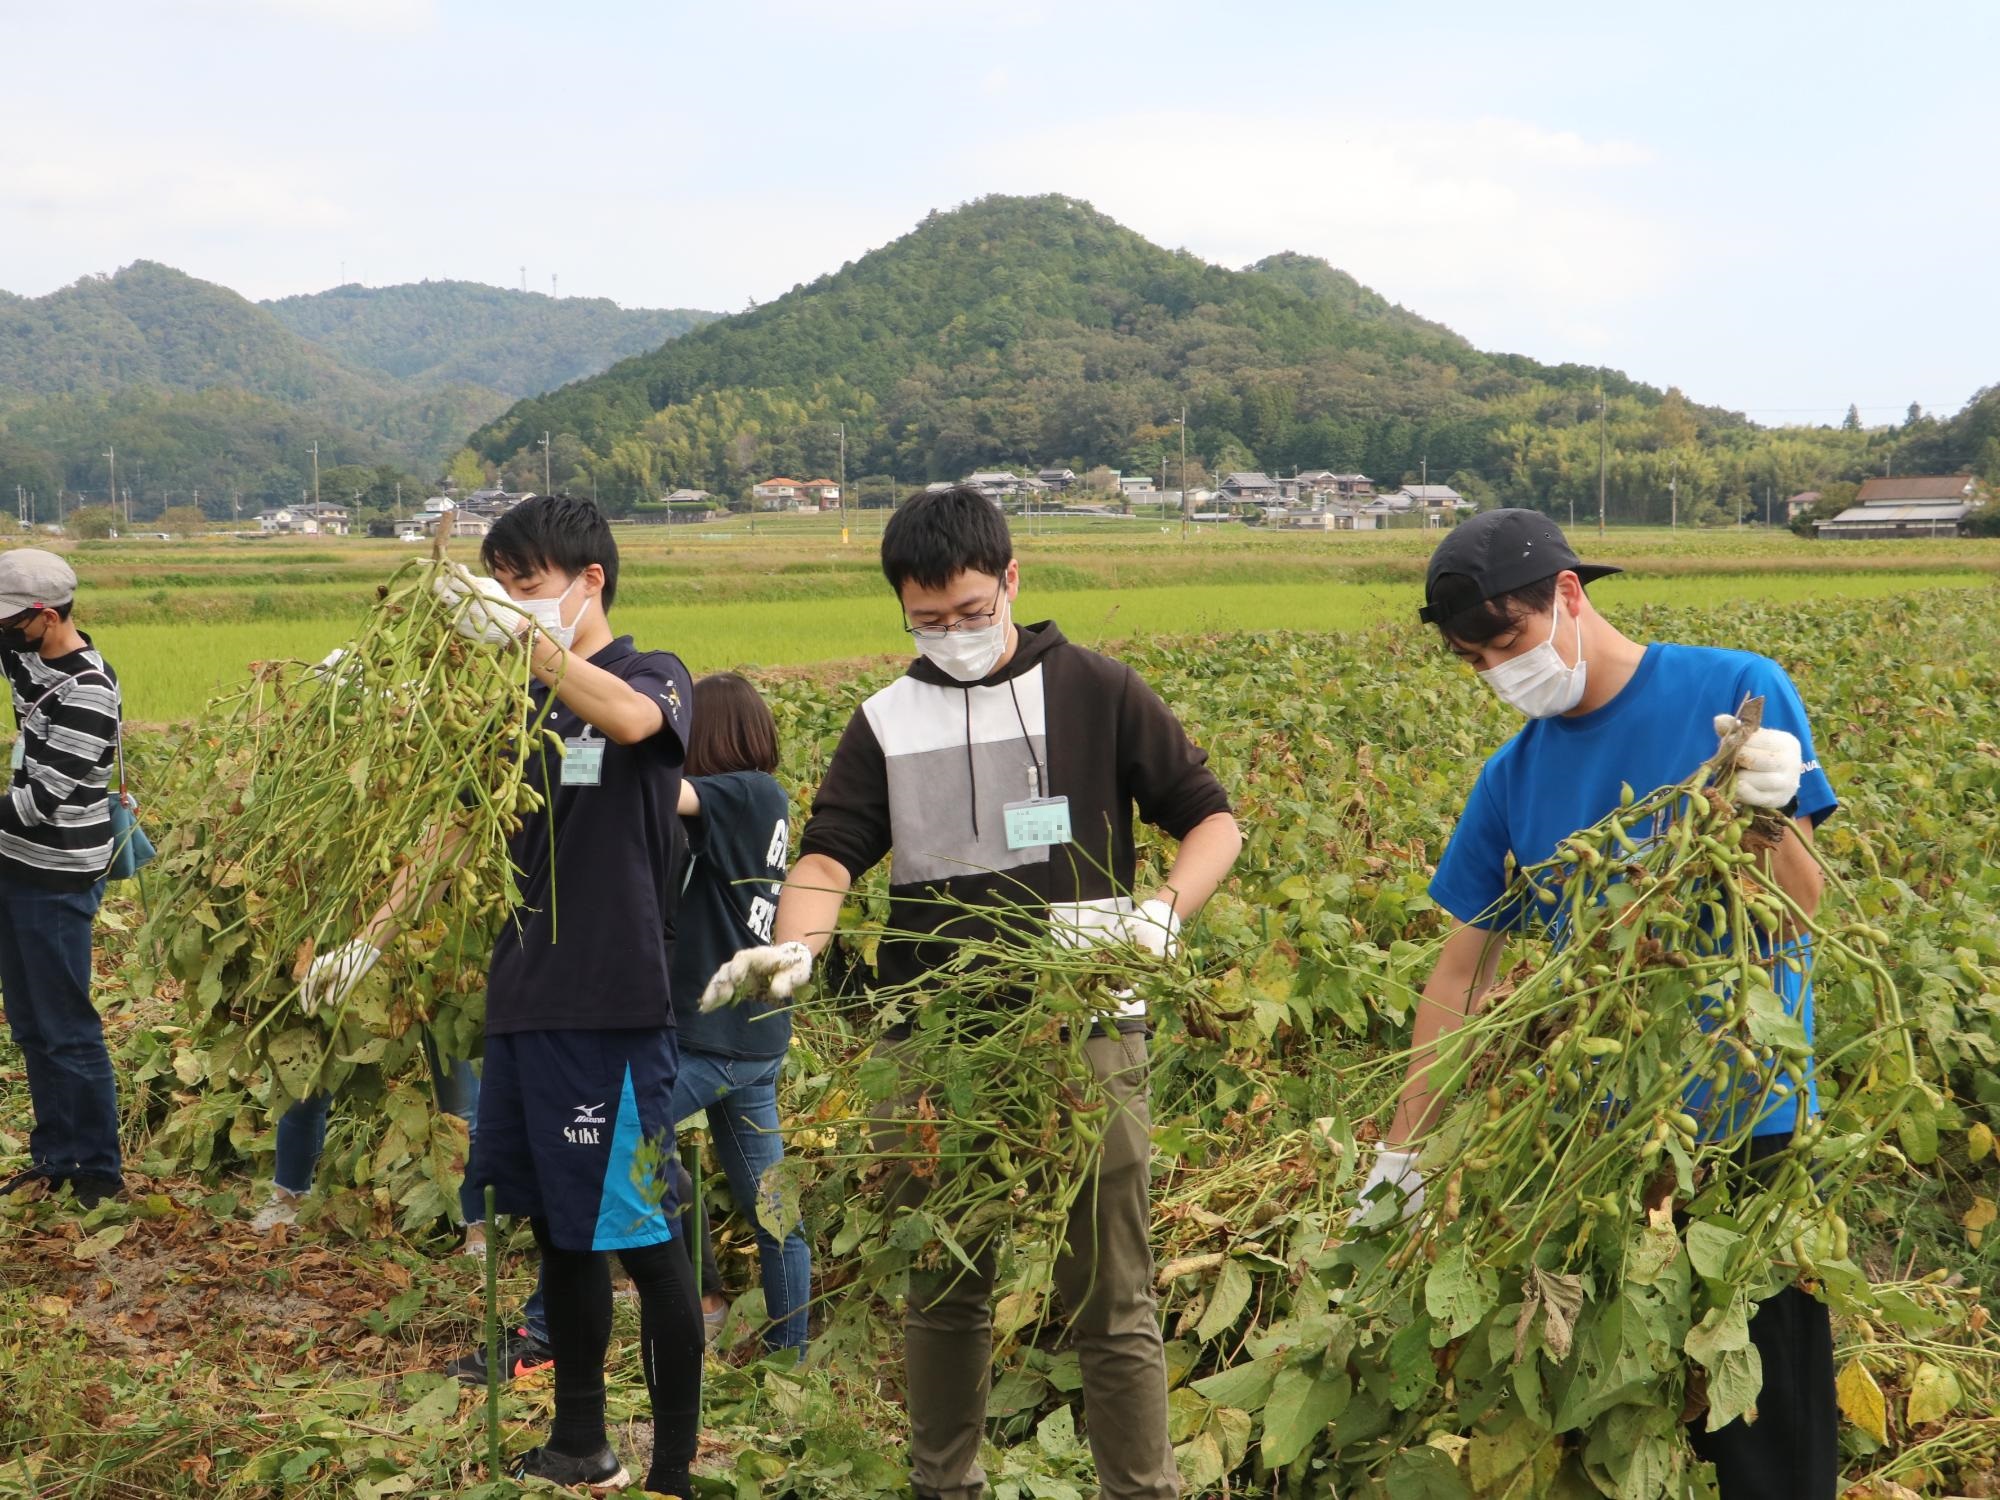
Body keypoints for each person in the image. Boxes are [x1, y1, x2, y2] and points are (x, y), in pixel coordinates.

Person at [706, 487, 1243, 1500]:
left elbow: (1212, 822)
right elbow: (828, 859)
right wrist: (796, 943)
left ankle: (1142, 1488)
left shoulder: (1096, 691)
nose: (950, 634)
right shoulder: (884, 721)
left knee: (1111, 1292)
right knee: (943, 1283)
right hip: (933, 1041)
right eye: (926, 620)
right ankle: (941, 1483)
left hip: (1083, 1025)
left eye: (967, 611)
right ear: (900, 608)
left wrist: (1162, 912)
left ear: (1009, 582)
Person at [1356, 508, 1836, 1498]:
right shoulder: (1513, 776)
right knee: (1617, 1412)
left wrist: (1768, 817)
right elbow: (1461, 977)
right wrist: (1402, 1147)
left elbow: (1795, 916)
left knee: (1765, 1420)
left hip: (1745, 1120)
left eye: (1504, 642)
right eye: (1471, 658)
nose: (1496, 671)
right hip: (1592, 1141)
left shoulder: (1733, 693)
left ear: (1568, 596)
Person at [304, 496, 704, 1494]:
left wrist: (527, 644)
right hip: (524, 1003)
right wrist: (369, 939)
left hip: (609, 1007)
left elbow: (633, 725)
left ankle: (677, 1471)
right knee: (556, 1228)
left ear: (588, 581)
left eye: (524, 585)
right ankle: (580, 1444)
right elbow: (452, 834)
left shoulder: (648, 676)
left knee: (642, 1236)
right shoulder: (520, 709)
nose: (513, 605)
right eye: (501, 589)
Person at [667, 670, 811, 1354]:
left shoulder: (746, 793)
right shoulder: (759, 805)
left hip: (719, 1040)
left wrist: (590, 741)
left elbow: (662, 788)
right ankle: (791, 1359)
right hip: (750, 1039)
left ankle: (699, 1296)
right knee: (773, 1208)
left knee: (624, 1132)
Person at [0, 549, 127, 1210]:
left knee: (68, 1026)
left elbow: (32, 806)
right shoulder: (26, 655)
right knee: (29, 1024)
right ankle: (53, 1154)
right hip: (13, 866)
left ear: (45, 616)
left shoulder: (88, 692)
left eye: (9, 622)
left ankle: (99, 1169)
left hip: (55, 875)